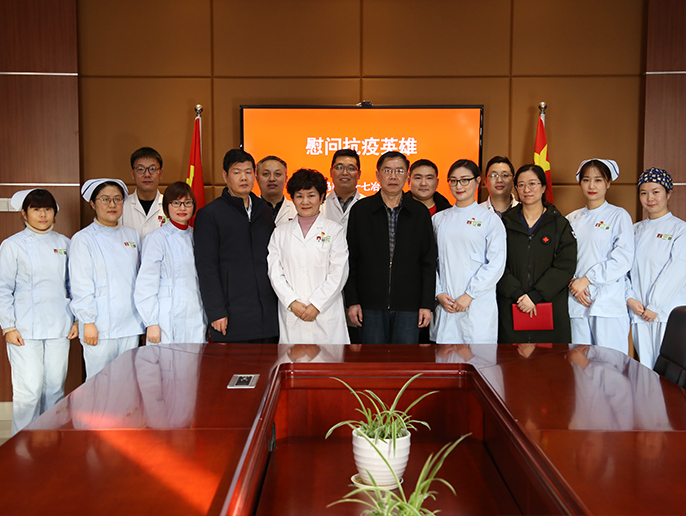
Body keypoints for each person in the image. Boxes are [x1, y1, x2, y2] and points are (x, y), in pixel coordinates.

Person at [0, 189, 77, 435]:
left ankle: (51, 442)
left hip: (59, 325)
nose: (42, 215)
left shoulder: (65, 243)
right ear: (24, 213)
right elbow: (3, 287)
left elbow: (74, 285)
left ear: (54, 212)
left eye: (47, 209)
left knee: (55, 388)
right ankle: (22, 446)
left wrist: (76, 319)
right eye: (36, 209)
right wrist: (8, 326)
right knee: (29, 391)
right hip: (24, 329)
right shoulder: (12, 245)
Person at [345, 151, 437, 344]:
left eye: (399, 171)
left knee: (404, 360)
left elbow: (428, 262)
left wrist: (426, 304)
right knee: (373, 359)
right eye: (387, 170)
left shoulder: (419, 213)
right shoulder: (361, 210)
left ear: (407, 176)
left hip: (409, 306)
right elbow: (351, 259)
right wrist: (352, 301)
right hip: (369, 305)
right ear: (378, 174)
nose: (393, 176)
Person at [194, 149, 278, 343]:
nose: (244, 178)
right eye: (237, 172)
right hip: (232, 316)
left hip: (269, 315)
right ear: (225, 176)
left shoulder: (264, 210)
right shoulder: (210, 214)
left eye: (248, 172)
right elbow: (206, 267)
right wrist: (216, 311)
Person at [70, 178, 145, 379]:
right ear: (93, 204)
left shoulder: (132, 236)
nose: (112, 204)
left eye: (117, 199)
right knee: (99, 382)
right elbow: (80, 284)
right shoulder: (83, 239)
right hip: (99, 325)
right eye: (105, 199)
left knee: (127, 380)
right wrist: (88, 322)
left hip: (130, 323)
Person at [267, 169, 349, 344]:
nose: (305, 202)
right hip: (292, 313)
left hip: (325, 314)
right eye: (299, 196)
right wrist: (292, 302)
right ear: (292, 198)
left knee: (329, 361)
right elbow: (275, 273)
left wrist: (317, 304)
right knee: (293, 359)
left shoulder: (334, 231)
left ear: (321, 197)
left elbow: (339, 273)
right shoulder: (280, 233)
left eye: (311, 195)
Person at [497, 164, 577, 343]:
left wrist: (535, 296)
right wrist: (518, 294)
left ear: (543, 187)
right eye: (521, 185)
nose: (527, 190)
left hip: (549, 307)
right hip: (512, 305)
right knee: (511, 358)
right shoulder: (504, 223)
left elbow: (565, 265)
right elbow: (496, 263)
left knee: (549, 359)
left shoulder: (559, 224)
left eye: (532, 184)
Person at [431, 159, 506, 344]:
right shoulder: (439, 220)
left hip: (477, 304)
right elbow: (430, 261)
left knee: (478, 356)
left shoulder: (489, 219)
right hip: (446, 303)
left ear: (478, 181)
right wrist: (438, 292)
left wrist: (470, 294)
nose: (459, 186)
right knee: (445, 356)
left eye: (465, 180)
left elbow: (496, 263)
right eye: (454, 181)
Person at [567, 159, 633, 354]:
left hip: (608, 303)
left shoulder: (619, 216)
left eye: (598, 180)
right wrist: (573, 283)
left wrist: (587, 280)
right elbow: (562, 258)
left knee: (609, 363)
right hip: (577, 301)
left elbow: (623, 258)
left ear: (608, 183)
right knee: (579, 364)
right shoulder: (571, 219)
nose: (592, 185)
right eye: (586, 180)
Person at [627, 168, 686, 368]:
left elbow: (678, 269)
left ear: (668, 194)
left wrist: (655, 305)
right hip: (639, 313)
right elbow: (624, 269)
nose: (649, 198)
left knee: (669, 373)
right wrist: (630, 299)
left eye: (656, 192)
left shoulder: (680, 229)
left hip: (667, 314)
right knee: (645, 370)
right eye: (644, 193)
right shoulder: (634, 230)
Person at [135, 181, 207, 345]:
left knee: (195, 358)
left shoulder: (197, 236)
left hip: (195, 313)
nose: (182, 208)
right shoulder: (156, 238)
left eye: (187, 203)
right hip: (166, 317)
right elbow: (146, 284)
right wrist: (151, 322)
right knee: (166, 359)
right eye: (176, 203)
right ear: (167, 206)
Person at [121, 147, 168, 239]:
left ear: (161, 173)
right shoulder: (122, 205)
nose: (147, 174)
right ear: (132, 173)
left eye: (153, 169)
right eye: (140, 169)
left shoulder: (171, 206)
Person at [322, 149, 366, 230]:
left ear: (359, 174)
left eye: (351, 168)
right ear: (331, 172)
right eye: (339, 167)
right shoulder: (320, 204)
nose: (345, 173)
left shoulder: (368, 206)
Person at [256, 155, 297, 226]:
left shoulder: (296, 210)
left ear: (286, 179)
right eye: (266, 174)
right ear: (257, 179)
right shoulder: (249, 210)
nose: (272, 179)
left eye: (277, 174)